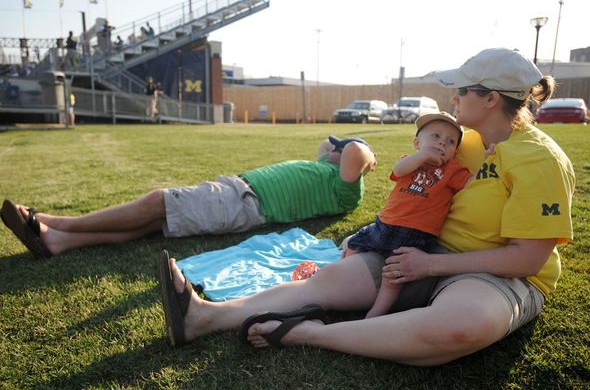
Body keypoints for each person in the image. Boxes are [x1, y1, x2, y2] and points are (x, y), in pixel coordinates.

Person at [157, 48, 575, 365]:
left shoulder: (538, 158)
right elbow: (414, 197)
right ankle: (203, 317)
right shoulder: (459, 141)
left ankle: (308, 334)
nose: (454, 98)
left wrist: (430, 268)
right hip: (421, 251)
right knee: (328, 282)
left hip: (495, 276)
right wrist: (376, 238)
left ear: (490, 99)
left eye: (463, 90)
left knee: (462, 325)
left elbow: (526, 258)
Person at [1, 137, 376, 258]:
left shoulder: (346, 188)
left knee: (156, 201)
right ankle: (58, 241)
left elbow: (355, 152)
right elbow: (326, 147)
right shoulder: (328, 172)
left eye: (338, 149)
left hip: (242, 200)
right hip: (238, 196)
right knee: (149, 223)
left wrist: (360, 149)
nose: (331, 149)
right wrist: (337, 146)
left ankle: (53, 222)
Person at [343, 112, 472, 319]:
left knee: (393, 274)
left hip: (414, 235)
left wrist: (489, 158)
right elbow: (398, 170)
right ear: (416, 142)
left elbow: (472, 184)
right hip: (384, 224)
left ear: (455, 152)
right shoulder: (410, 161)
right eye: (435, 137)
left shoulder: (453, 169)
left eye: (450, 142)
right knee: (353, 244)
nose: (442, 144)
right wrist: (423, 156)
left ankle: (377, 311)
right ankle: (345, 279)